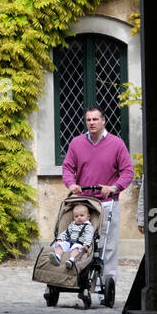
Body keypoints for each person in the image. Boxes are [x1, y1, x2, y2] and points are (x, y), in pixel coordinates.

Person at [61, 105, 134, 303]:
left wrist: (114, 187)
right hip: (84, 203)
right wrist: (72, 183)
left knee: (107, 248)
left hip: (108, 203)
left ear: (103, 121)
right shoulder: (76, 143)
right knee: (80, 242)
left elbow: (128, 172)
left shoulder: (116, 144)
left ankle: (105, 289)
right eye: (89, 120)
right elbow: (67, 167)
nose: (92, 123)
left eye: (95, 119)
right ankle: (78, 280)